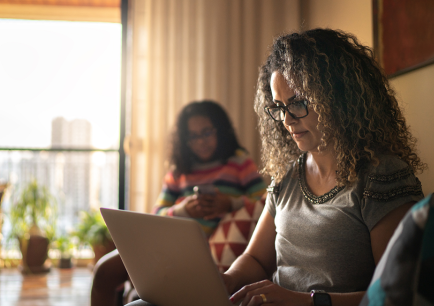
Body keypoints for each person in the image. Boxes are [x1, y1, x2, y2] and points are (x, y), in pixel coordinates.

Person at [126, 28, 425, 306]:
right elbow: (256, 259)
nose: (286, 120)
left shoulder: (381, 175)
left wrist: (306, 301)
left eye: (297, 103)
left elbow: (392, 292)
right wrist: (226, 280)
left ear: (337, 98)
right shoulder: (289, 176)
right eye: (278, 107)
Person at [91, 100, 266, 306]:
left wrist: (230, 204)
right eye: (192, 136)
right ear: (184, 140)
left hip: (200, 254)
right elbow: (156, 214)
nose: (201, 141)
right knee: (104, 269)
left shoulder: (239, 162)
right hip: (169, 247)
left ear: (221, 130)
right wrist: (183, 210)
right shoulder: (179, 171)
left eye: (207, 132)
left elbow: (264, 203)